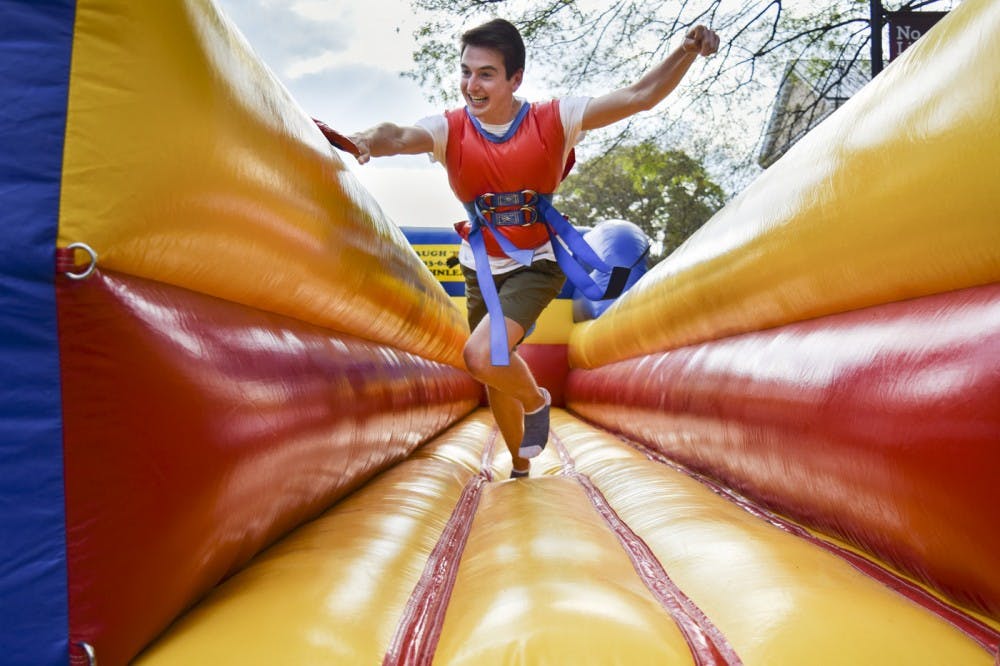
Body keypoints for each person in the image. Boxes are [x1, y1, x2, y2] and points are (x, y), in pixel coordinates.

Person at [337, 18, 719, 479]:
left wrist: (686, 50)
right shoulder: (449, 128)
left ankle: (538, 401)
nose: (471, 86)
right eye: (466, 72)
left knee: (482, 356)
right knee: (494, 370)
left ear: (515, 78)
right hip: (481, 267)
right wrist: (364, 140)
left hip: (537, 263)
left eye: (486, 74)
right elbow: (396, 135)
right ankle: (520, 463)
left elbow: (639, 96)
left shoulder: (554, 119)